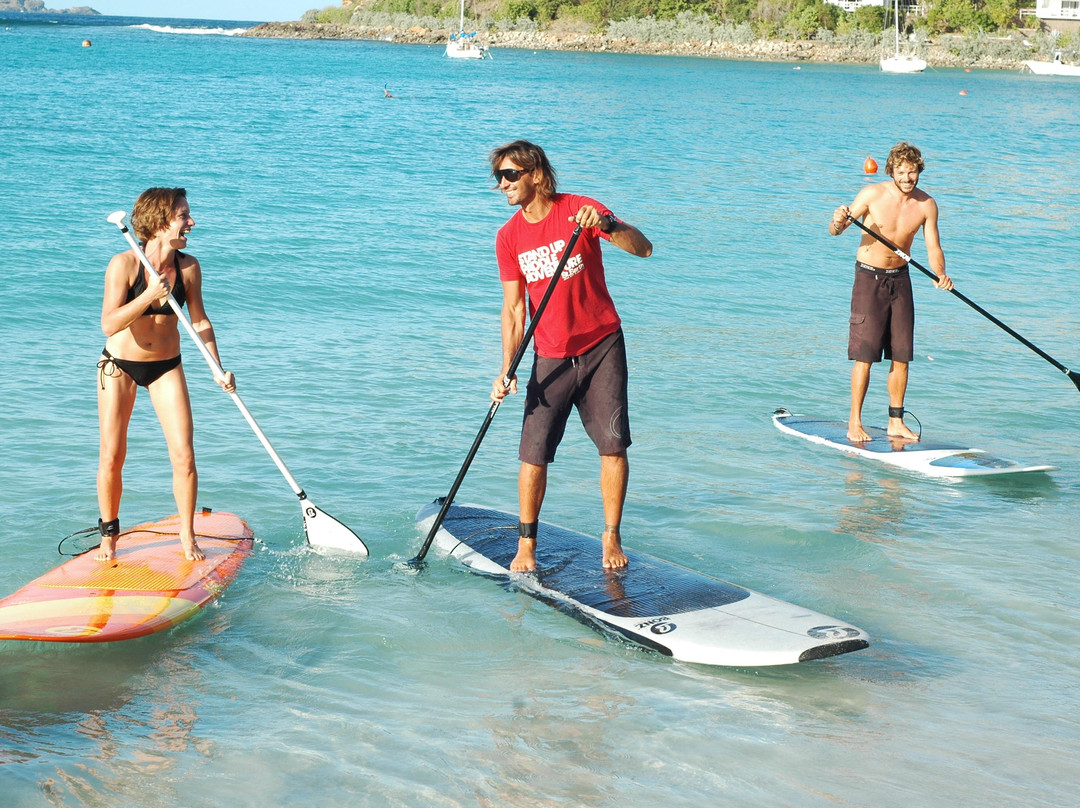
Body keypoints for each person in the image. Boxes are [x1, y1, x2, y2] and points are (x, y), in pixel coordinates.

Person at [489, 140, 653, 573]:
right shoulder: (508, 238)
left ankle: (612, 536)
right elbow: (514, 310)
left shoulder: (580, 209)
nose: (501, 184)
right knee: (532, 452)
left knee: (613, 446)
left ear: (535, 174)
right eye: (498, 177)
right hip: (551, 355)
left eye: (509, 175)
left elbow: (644, 248)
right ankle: (526, 546)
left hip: (602, 346)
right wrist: (506, 370)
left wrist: (607, 223)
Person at [96, 188, 235, 563]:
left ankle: (188, 538)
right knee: (112, 455)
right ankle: (109, 536)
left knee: (184, 456)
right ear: (159, 222)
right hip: (119, 365)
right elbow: (108, 324)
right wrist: (146, 296)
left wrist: (216, 367)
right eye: (184, 216)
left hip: (166, 366)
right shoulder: (123, 264)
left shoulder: (189, 267)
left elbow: (200, 321)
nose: (192, 222)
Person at [829, 141, 953, 443]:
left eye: (912, 172)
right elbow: (836, 229)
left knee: (902, 355)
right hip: (869, 279)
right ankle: (854, 422)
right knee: (865, 354)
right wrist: (838, 219)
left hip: (901, 280)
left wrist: (940, 274)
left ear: (918, 171)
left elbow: (933, 246)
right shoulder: (872, 194)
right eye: (901, 172)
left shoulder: (926, 205)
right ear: (891, 171)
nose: (907, 178)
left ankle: (895, 422)